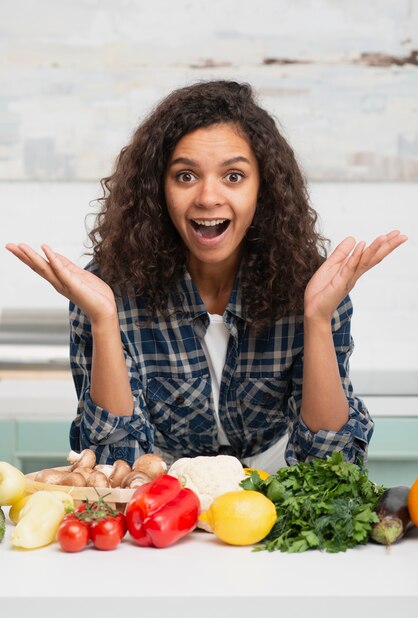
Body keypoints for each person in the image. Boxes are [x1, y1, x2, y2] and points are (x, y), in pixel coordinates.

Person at [6, 80, 407, 473]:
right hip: (158, 485)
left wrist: (318, 320)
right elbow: (114, 468)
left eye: (233, 176)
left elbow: (329, 467)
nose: (208, 197)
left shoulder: (313, 287)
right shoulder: (107, 291)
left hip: (278, 476)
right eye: (185, 176)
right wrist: (104, 321)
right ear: (157, 190)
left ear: (262, 190)